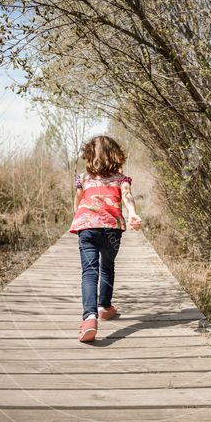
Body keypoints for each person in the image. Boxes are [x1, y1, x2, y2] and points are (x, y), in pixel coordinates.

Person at [69, 135, 142, 342]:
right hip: (111, 228)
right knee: (107, 267)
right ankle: (104, 307)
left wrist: (80, 220)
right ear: (115, 155)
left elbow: (77, 203)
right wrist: (132, 213)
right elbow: (127, 196)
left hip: (88, 227)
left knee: (89, 272)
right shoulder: (121, 179)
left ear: (90, 156)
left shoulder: (83, 179)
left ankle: (89, 318)